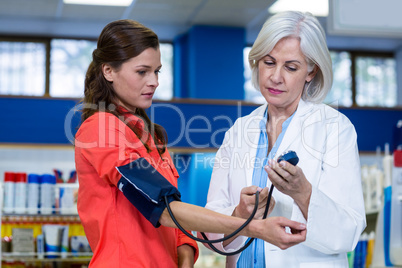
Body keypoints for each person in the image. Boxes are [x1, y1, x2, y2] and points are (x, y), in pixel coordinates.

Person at [74, 19, 308, 268]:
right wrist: (254, 227)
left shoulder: (152, 138)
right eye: (142, 72)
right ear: (108, 71)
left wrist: (185, 257)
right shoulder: (100, 129)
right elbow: (162, 207)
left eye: (157, 71)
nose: (154, 81)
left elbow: (176, 221)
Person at [200, 11, 366, 268]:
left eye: (291, 67)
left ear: (311, 71)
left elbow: (350, 231)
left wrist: (304, 193)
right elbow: (211, 224)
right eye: (268, 62)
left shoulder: (335, 129)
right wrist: (239, 214)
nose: (276, 76)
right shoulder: (238, 131)